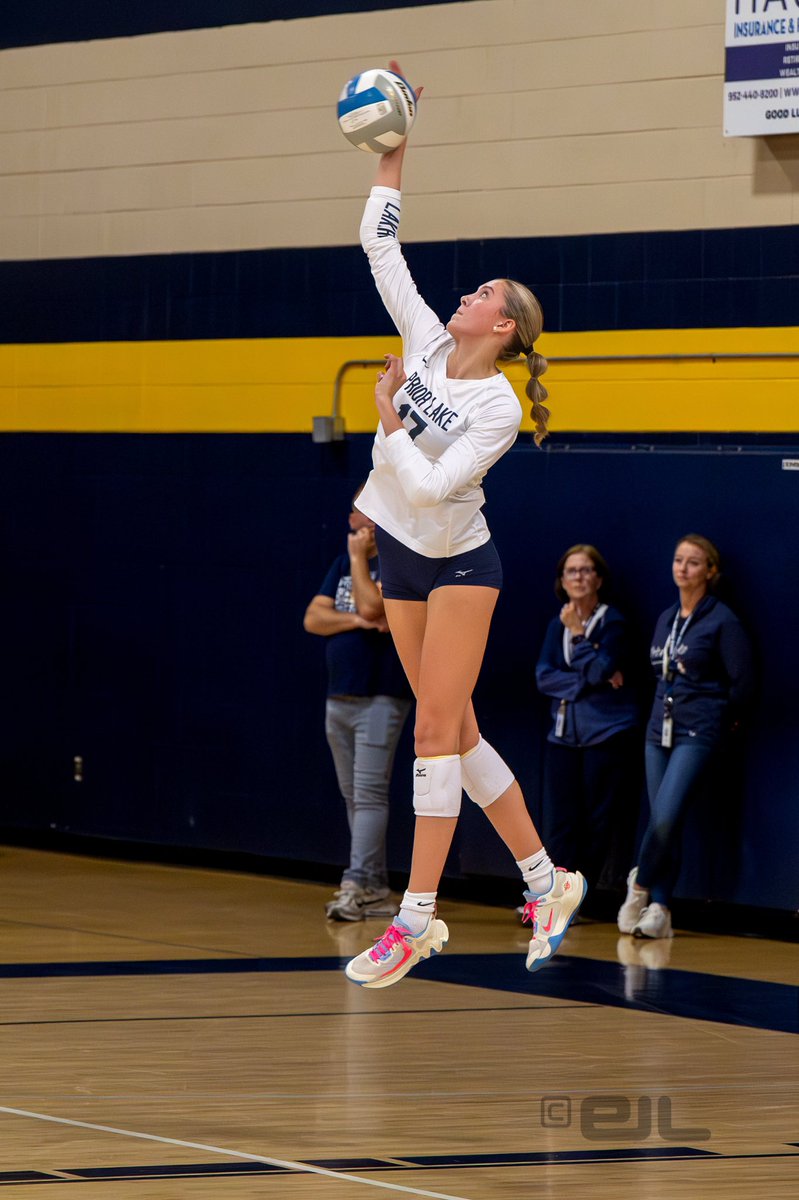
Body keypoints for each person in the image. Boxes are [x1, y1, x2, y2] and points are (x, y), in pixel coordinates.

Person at [343, 63, 586, 989]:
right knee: (462, 733)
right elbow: (377, 245)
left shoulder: (496, 409)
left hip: (458, 565)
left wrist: (393, 426)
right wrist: (395, 138)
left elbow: (442, 490)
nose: (464, 295)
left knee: (433, 730)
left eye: (483, 292)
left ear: (504, 325)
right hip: (402, 561)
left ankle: (415, 919)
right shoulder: (428, 345)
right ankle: (545, 877)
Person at [617, 534, 754, 939]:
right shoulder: (666, 617)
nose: (683, 568)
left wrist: (724, 719)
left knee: (666, 817)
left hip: (699, 729)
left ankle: (639, 886)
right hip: (658, 728)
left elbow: (743, 683)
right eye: (678, 560)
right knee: (663, 819)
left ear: (710, 572)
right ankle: (660, 909)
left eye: (693, 563)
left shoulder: (723, 620)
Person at [304, 489, 412, 921]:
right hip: (340, 694)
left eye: (357, 511)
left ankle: (353, 884)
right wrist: (359, 621)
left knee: (368, 795)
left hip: (381, 696)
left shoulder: (398, 559)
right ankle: (375, 887)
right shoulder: (343, 563)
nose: (351, 520)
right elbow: (314, 619)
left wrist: (357, 568)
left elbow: (373, 602)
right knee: (353, 796)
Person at [535, 544, 640, 898]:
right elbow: (544, 678)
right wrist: (591, 678)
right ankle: (553, 896)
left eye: (586, 570)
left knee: (597, 820)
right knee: (560, 820)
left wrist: (581, 637)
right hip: (563, 736)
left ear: (598, 578)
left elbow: (600, 669)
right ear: (561, 581)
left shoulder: (613, 622)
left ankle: (579, 897)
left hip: (606, 734)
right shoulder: (556, 623)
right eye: (571, 571)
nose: (578, 577)